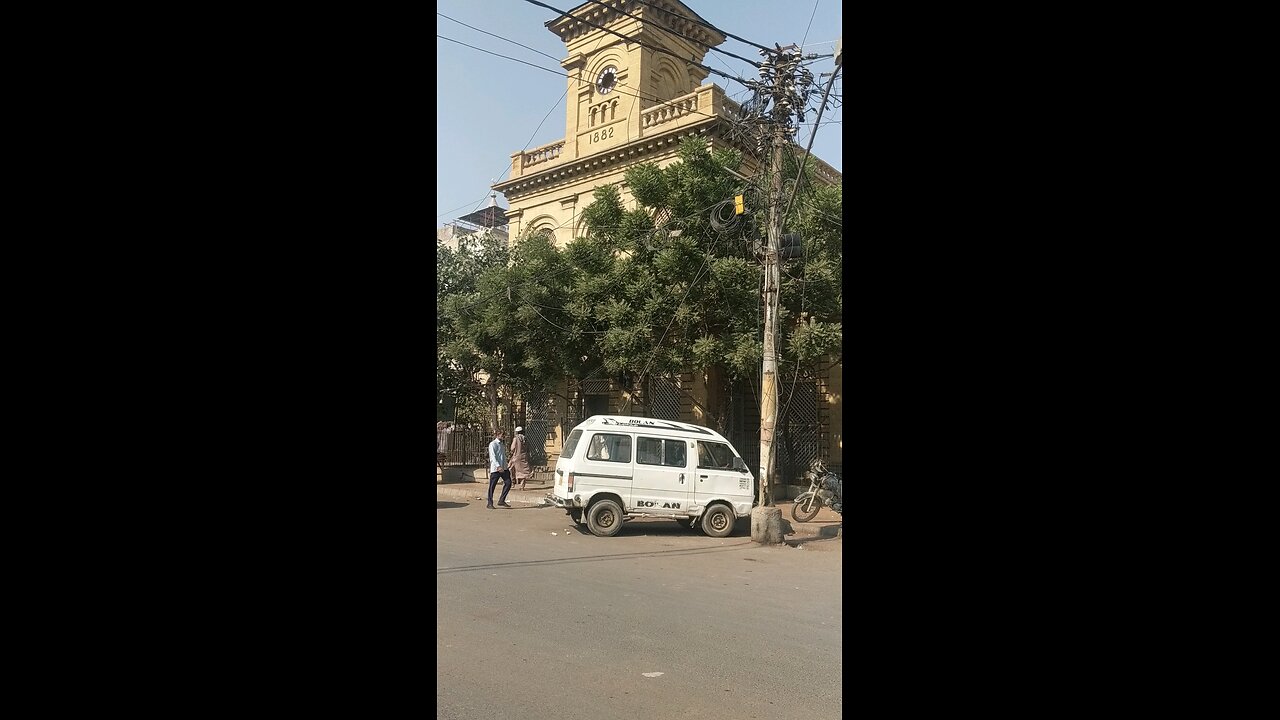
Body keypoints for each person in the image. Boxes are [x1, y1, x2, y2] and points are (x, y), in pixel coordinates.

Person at [487, 428, 511, 509]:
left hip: (503, 468)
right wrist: (498, 466)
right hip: (496, 469)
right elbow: (493, 457)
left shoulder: (501, 444)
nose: (504, 436)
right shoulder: (493, 444)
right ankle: (490, 503)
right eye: (502, 434)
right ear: (498, 435)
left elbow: (503, 456)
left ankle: (501, 500)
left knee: (508, 483)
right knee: (492, 486)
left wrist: (506, 466)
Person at [509, 426, 532, 491]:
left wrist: (512, 452)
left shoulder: (516, 438)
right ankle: (522, 486)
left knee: (511, 468)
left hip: (516, 456)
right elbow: (528, 448)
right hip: (524, 457)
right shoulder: (525, 439)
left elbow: (512, 448)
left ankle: (513, 483)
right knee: (523, 471)